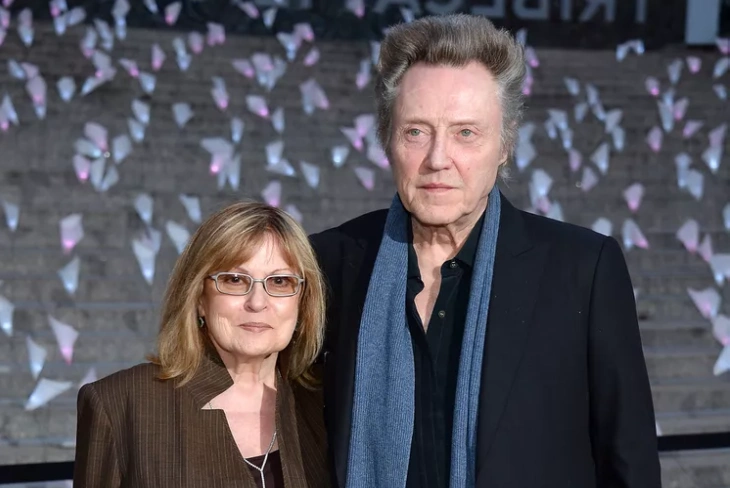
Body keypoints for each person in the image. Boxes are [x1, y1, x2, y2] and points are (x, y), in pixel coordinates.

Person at [310, 14, 661, 488]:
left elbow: (630, 462)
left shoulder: (584, 270)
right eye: (416, 131)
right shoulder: (329, 262)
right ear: (387, 140)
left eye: (465, 133)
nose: (438, 159)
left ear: (505, 144)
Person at [74, 202, 329, 488]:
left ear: (303, 300)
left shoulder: (331, 403)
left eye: (280, 281)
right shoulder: (120, 403)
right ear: (198, 297)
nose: (257, 302)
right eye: (234, 280)